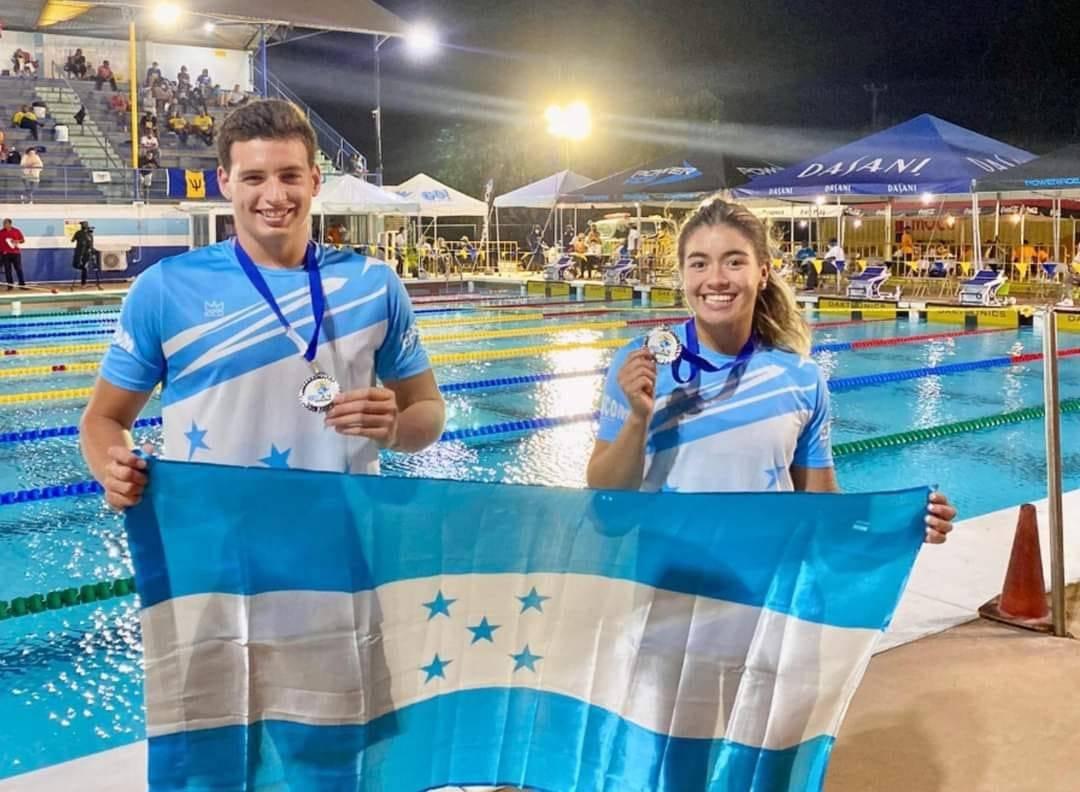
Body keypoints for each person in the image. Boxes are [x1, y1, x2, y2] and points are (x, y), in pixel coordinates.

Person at [79, 98, 446, 509]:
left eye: (289, 176)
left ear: (314, 180)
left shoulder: (374, 283)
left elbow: (428, 409)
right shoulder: (164, 287)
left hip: (342, 541)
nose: (274, 196)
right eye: (253, 177)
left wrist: (396, 429)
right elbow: (103, 418)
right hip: (215, 545)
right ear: (225, 181)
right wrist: (114, 469)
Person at [586, 198, 956, 543]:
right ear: (683, 275)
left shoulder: (799, 376)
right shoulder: (640, 364)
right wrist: (638, 418)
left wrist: (899, 524)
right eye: (699, 263)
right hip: (666, 592)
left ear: (762, 273)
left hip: (764, 598)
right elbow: (606, 515)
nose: (716, 278)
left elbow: (821, 504)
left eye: (734, 261)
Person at [0, 218, 26, 290]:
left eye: (6, 223)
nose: (5, 225)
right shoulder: (1, 232)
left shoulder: (16, 231)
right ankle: (10, 286)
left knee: (19, 269)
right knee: (8, 270)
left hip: (16, 253)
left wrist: (18, 241)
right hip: (5, 254)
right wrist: (2, 252)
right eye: (4, 224)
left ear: (10, 224)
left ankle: (22, 285)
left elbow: (23, 240)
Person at [71, 221, 96, 286]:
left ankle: (83, 283)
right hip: (80, 253)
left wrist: (92, 252)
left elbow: (91, 245)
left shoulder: (88, 234)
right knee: (80, 266)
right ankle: (83, 282)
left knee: (84, 267)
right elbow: (73, 240)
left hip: (84, 254)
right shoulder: (80, 233)